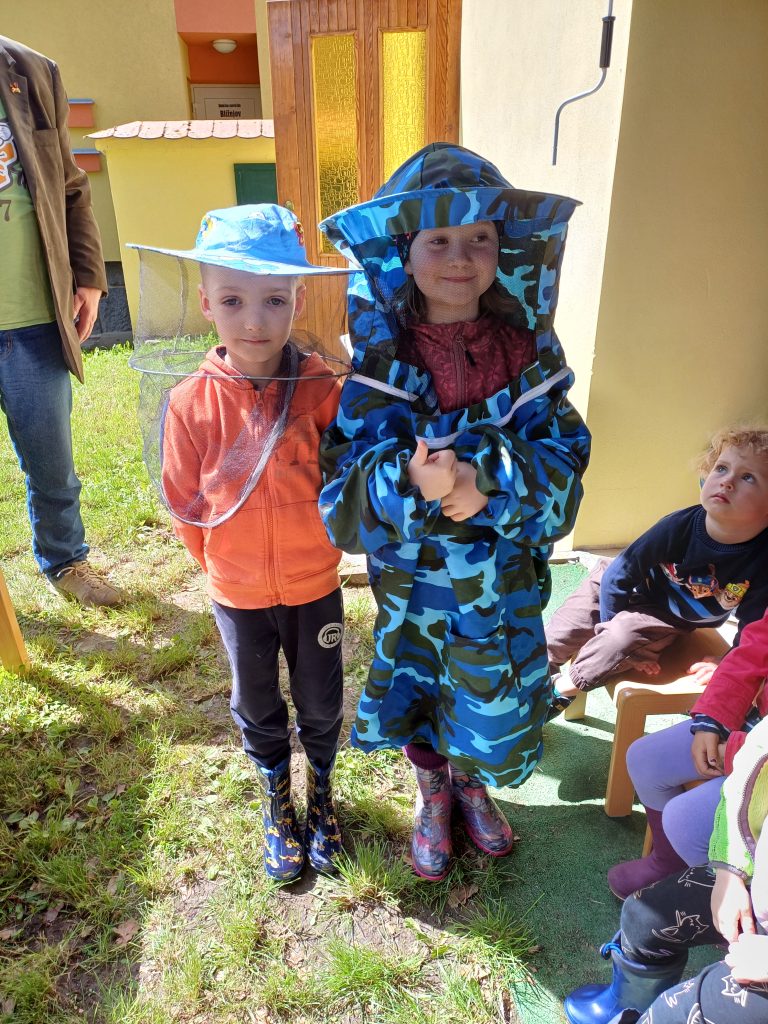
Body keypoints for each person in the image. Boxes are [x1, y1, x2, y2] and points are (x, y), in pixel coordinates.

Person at [319, 143, 591, 880]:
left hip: (503, 586)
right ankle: (433, 790)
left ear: (507, 250)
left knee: (487, 689)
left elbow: (566, 474)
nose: (461, 257)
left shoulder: (530, 358)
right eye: (437, 239)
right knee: (421, 686)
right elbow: (341, 502)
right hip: (415, 591)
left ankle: (472, 784)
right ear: (403, 255)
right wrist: (408, 481)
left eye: (479, 238)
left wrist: (488, 481)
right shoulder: (381, 369)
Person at [134, 205, 350, 881]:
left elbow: (347, 481)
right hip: (238, 593)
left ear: (298, 301)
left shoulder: (322, 389)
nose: (254, 320)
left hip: (316, 585)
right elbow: (184, 503)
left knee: (321, 698)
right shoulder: (188, 403)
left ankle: (321, 792)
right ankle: (276, 799)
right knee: (256, 701)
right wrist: (223, 569)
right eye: (232, 300)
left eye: (273, 300)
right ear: (205, 303)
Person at [0, 36, 121, 606]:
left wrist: (90, 276)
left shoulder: (30, 70)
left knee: (53, 464)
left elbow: (70, 185)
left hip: (35, 319)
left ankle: (67, 561)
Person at [546, 427, 768, 720]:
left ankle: (555, 693)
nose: (727, 481)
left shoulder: (762, 558)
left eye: (748, 477)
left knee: (620, 638)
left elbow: (755, 627)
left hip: (664, 615)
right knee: (564, 630)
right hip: (617, 583)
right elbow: (619, 575)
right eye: (721, 468)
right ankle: (532, 676)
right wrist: (607, 627)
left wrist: (725, 662)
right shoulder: (678, 526)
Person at [563, 714, 768, 1024]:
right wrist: (730, 868)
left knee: (676, 1014)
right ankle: (629, 1005)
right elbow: (751, 771)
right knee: (642, 916)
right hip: (756, 880)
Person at [606, 604, 768, 898]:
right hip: (754, 726)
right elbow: (753, 651)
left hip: (760, 763)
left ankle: (721, 905)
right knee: (645, 758)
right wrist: (712, 720)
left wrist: (735, 752)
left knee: (685, 820)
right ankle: (668, 862)